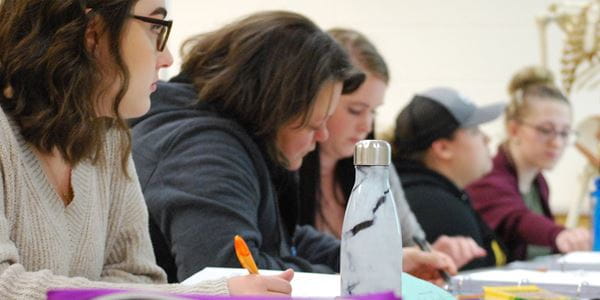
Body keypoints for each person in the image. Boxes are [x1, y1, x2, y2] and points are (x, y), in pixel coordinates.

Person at [131, 11, 455, 284]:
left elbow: (282, 240)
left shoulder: (232, 139)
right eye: (314, 124)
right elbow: (235, 276)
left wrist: (380, 261)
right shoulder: (200, 152)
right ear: (273, 109)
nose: (323, 137)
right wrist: (365, 273)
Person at [0, 0, 292, 298]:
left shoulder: (108, 136)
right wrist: (214, 295)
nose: (167, 58)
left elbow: (140, 278)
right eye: (156, 28)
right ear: (93, 31)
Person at [298, 28, 485, 270]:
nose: (366, 125)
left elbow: (410, 242)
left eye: (374, 111)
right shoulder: (286, 168)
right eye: (355, 110)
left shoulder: (376, 169)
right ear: (320, 99)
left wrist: (430, 255)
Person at [467, 66, 592, 262]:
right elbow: (516, 218)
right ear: (514, 129)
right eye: (545, 130)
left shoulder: (539, 183)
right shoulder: (488, 178)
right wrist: (559, 234)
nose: (557, 143)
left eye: (564, 132)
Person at [392, 87, 508, 270]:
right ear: (443, 148)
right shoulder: (438, 208)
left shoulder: (440, 194)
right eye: (475, 130)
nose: (487, 138)